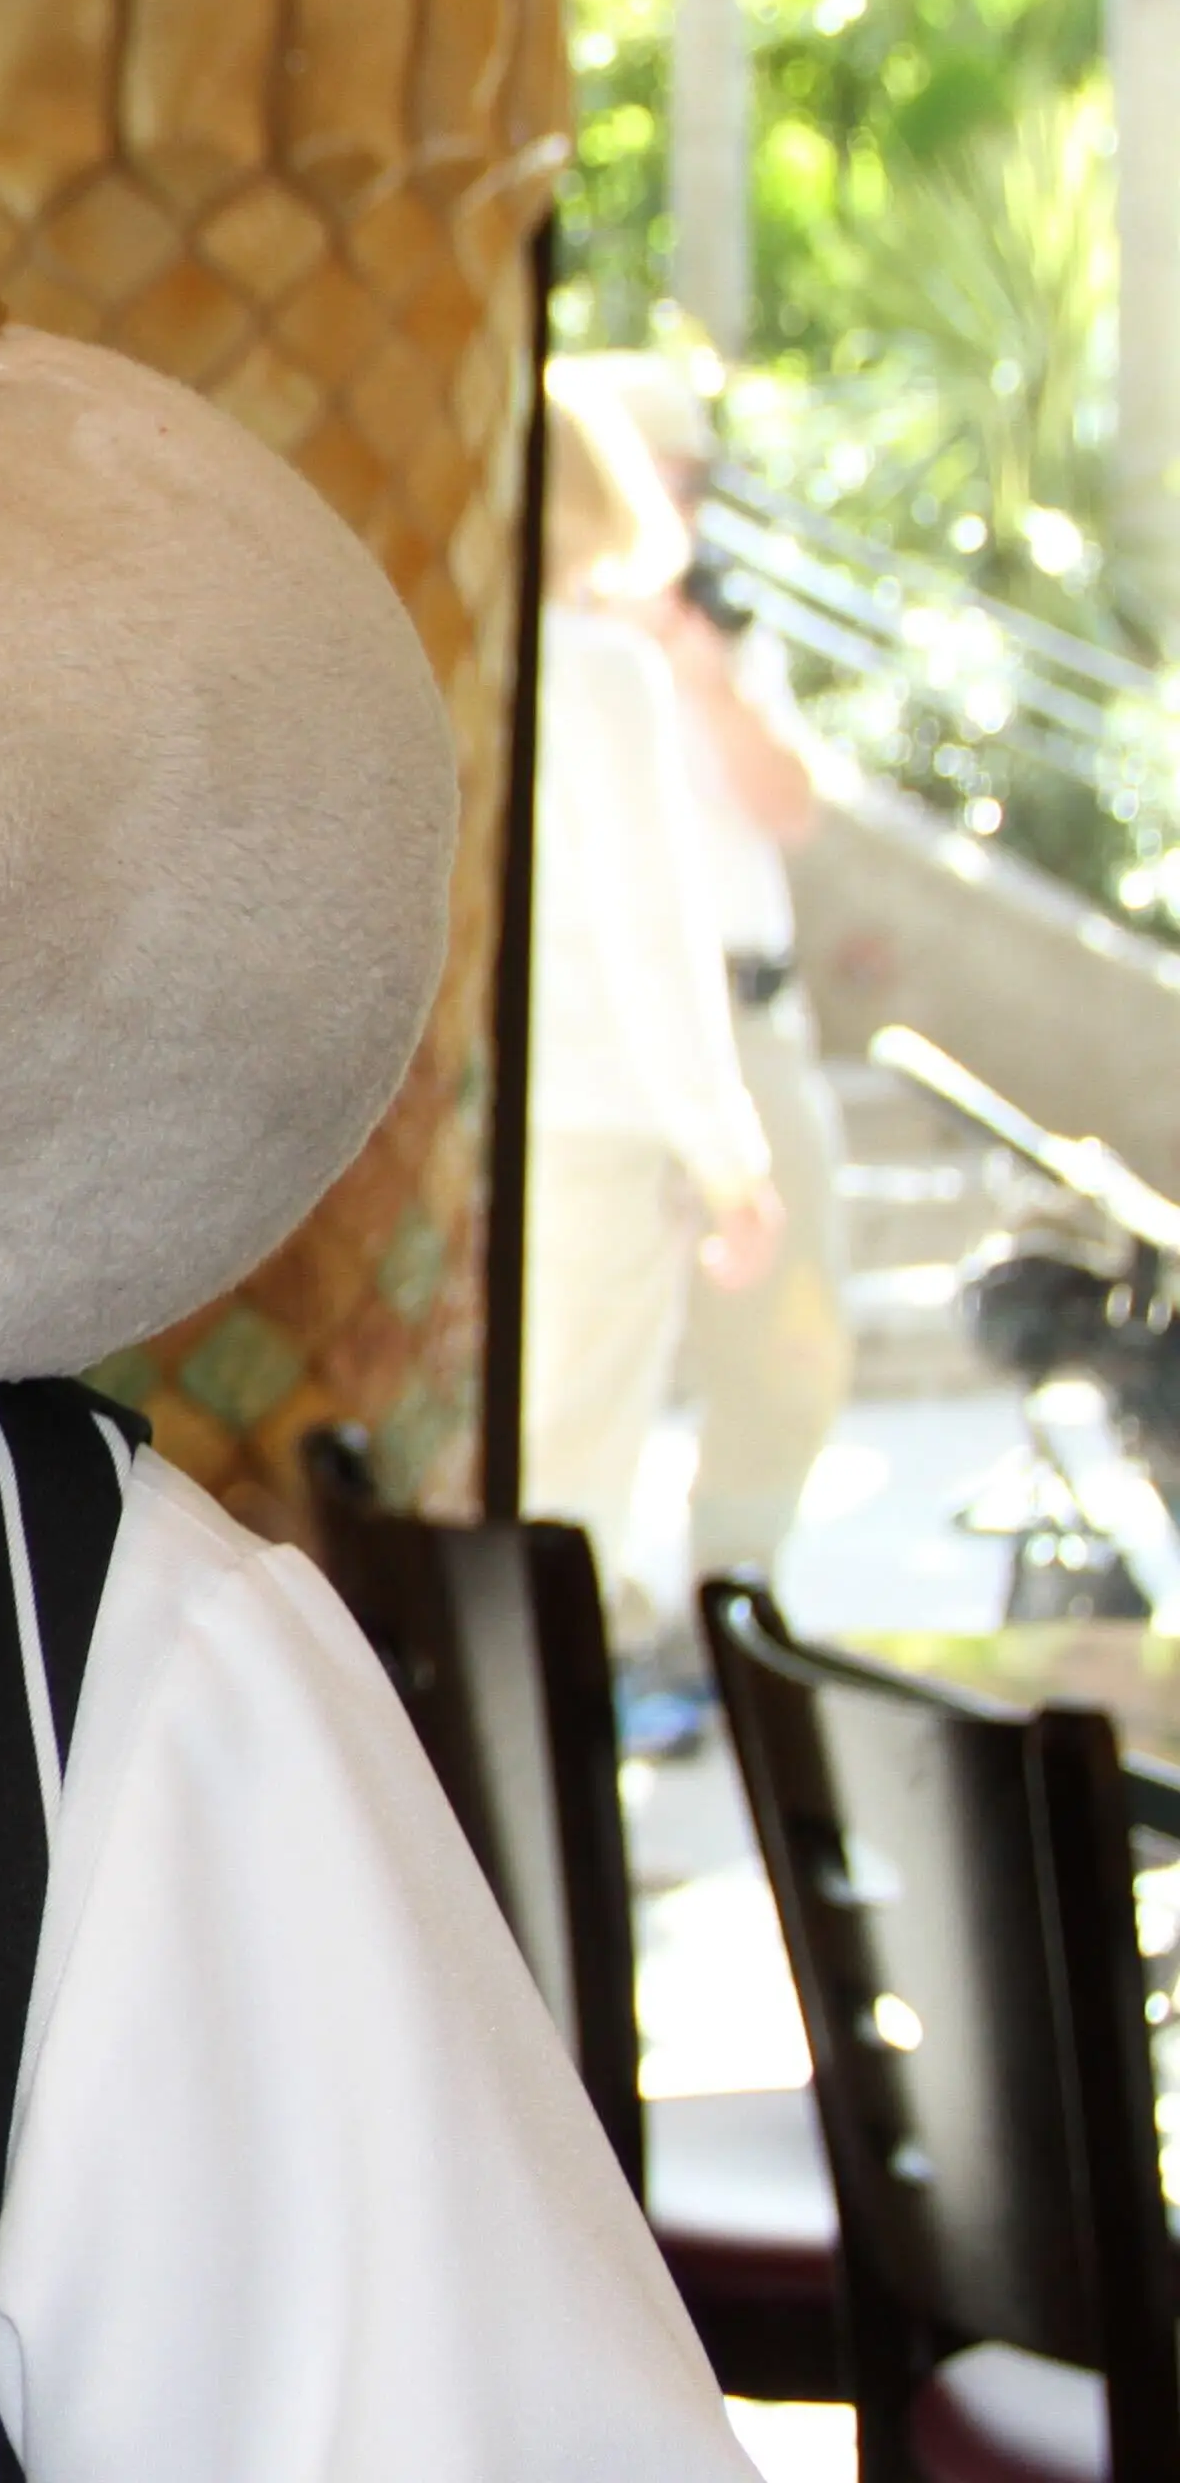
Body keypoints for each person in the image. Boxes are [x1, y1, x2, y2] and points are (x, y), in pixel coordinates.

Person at [567, 351, 852, 1591]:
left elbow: (791, 807)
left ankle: (735, 1593)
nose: (683, 506)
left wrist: (704, 670)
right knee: (580, 1405)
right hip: (610, 1069)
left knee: (788, 1339)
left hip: (739, 1021)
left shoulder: (706, 641)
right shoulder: (579, 660)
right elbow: (637, 922)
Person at [519, 364, 781, 1641]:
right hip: (602, 1127)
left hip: (499, 1117)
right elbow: (654, 934)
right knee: (569, 1488)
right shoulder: (601, 670)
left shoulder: (469, 652)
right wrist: (730, 1157)